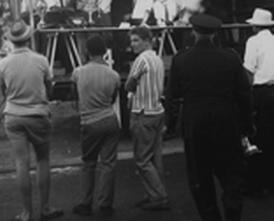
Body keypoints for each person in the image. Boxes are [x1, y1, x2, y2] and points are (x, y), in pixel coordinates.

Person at [167, 14, 254, 221]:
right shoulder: (231, 58)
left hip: (195, 125)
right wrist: (247, 126)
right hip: (227, 123)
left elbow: (172, 97)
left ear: (193, 32)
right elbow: (244, 95)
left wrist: (170, 126)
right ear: (215, 33)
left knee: (200, 178)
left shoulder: (181, 59)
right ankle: (233, 214)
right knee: (231, 177)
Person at [0, 20, 63, 221]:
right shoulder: (41, 60)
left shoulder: (4, 63)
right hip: (37, 114)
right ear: (28, 38)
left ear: (12, 40)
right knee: (43, 160)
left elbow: (3, 91)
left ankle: (26, 212)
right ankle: (45, 208)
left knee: (21, 163)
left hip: (14, 115)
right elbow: (49, 86)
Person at [71, 35, 120, 218]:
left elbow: (74, 93)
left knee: (89, 164)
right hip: (110, 120)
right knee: (108, 164)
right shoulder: (114, 75)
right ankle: (106, 204)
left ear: (87, 52)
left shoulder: (78, 73)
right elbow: (113, 98)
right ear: (105, 52)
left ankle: (86, 203)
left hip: (90, 122)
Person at [125, 26, 169, 211]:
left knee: (142, 159)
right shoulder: (157, 58)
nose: (132, 44)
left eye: (136, 40)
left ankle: (158, 195)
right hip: (157, 110)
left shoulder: (141, 59)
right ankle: (153, 193)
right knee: (154, 157)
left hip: (143, 112)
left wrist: (132, 89)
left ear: (146, 40)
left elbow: (129, 84)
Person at [243, 8, 274, 193]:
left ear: (255, 26)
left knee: (259, 137)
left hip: (262, 92)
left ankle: (258, 182)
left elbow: (248, 70)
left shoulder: (253, 42)